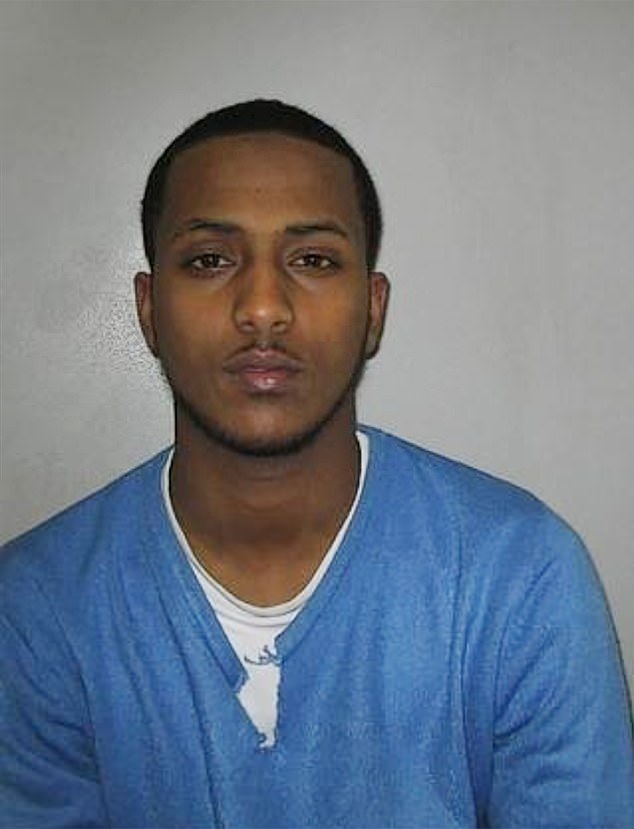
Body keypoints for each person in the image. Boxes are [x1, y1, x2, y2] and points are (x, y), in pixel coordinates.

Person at [1, 99, 632, 829]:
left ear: (373, 308)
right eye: (210, 259)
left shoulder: (520, 574)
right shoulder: (34, 610)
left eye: (313, 260)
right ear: (148, 308)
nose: (263, 307)